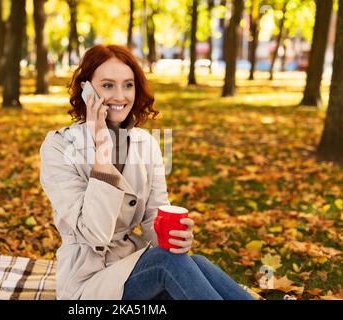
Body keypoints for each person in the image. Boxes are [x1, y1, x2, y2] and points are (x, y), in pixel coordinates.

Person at [39, 44, 255, 300]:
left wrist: (176, 236)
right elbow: (94, 233)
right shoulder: (59, 146)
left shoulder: (146, 143)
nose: (121, 96)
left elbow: (154, 214)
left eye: (128, 85)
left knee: (196, 263)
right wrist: (102, 152)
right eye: (108, 85)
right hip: (87, 282)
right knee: (168, 263)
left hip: (132, 265)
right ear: (87, 90)